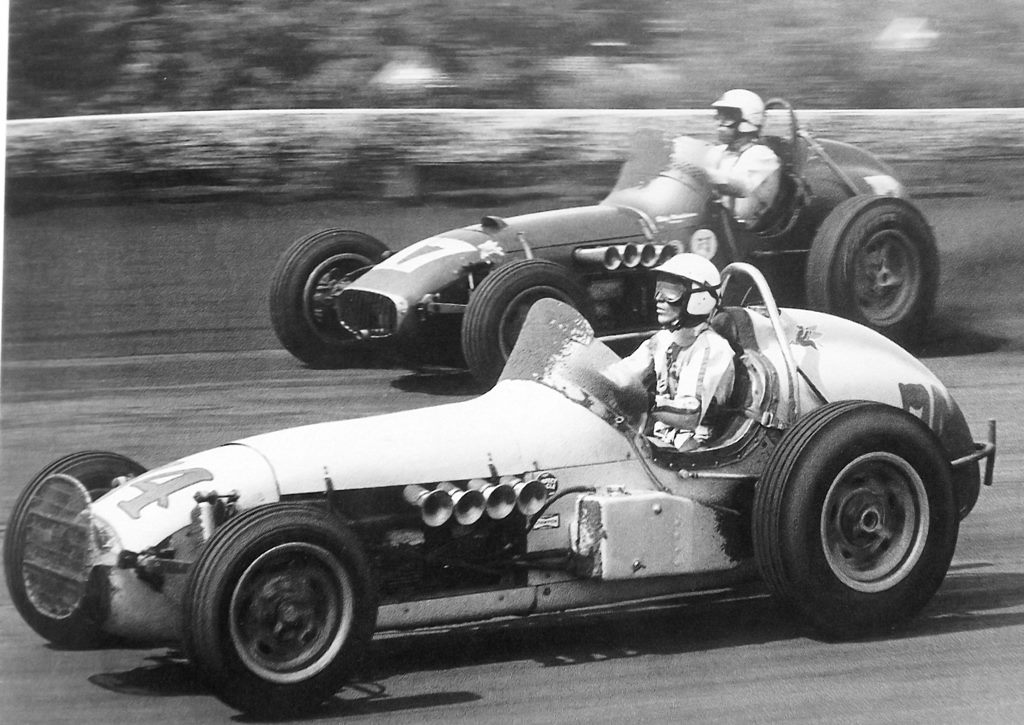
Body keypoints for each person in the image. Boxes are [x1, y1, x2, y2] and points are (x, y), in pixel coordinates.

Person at [607, 253, 735, 452]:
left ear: (698, 298)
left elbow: (690, 415)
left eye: (670, 293)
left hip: (695, 447)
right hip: (660, 438)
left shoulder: (713, 349)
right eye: (658, 289)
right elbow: (625, 372)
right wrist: (592, 377)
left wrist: (646, 401)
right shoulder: (663, 339)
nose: (659, 299)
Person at [703, 89, 781, 229]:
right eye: (719, 116)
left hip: (748, 231)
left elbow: (741, 187)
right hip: (718, 225)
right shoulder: (717, 152)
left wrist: (704, 173)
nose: (719, 123)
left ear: (747, 121)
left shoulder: (762, 155)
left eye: (727, 118)